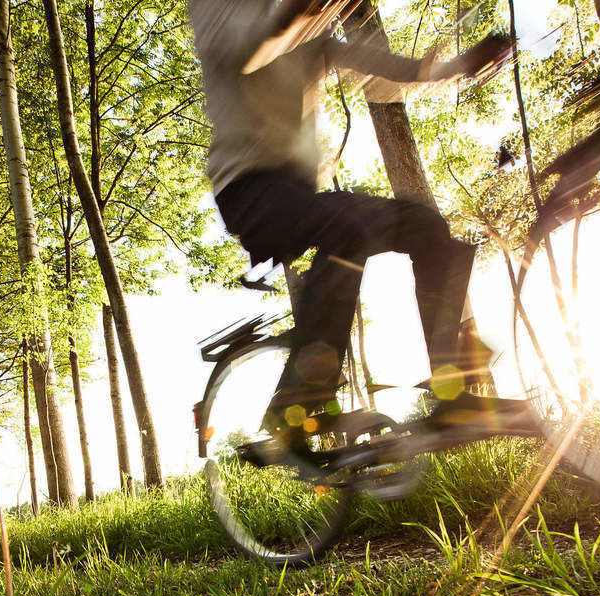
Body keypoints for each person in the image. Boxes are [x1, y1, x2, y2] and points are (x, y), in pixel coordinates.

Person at [189, 0, 527, 443]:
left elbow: (386, 71)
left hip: (298, 195)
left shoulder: (316, 41)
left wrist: (460, 65)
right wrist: (298, 14)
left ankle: (456, 393)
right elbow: (250, 52)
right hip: (249, 191)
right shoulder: (222, 15)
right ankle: (299, 399)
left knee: (425, 226)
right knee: (347, 229)